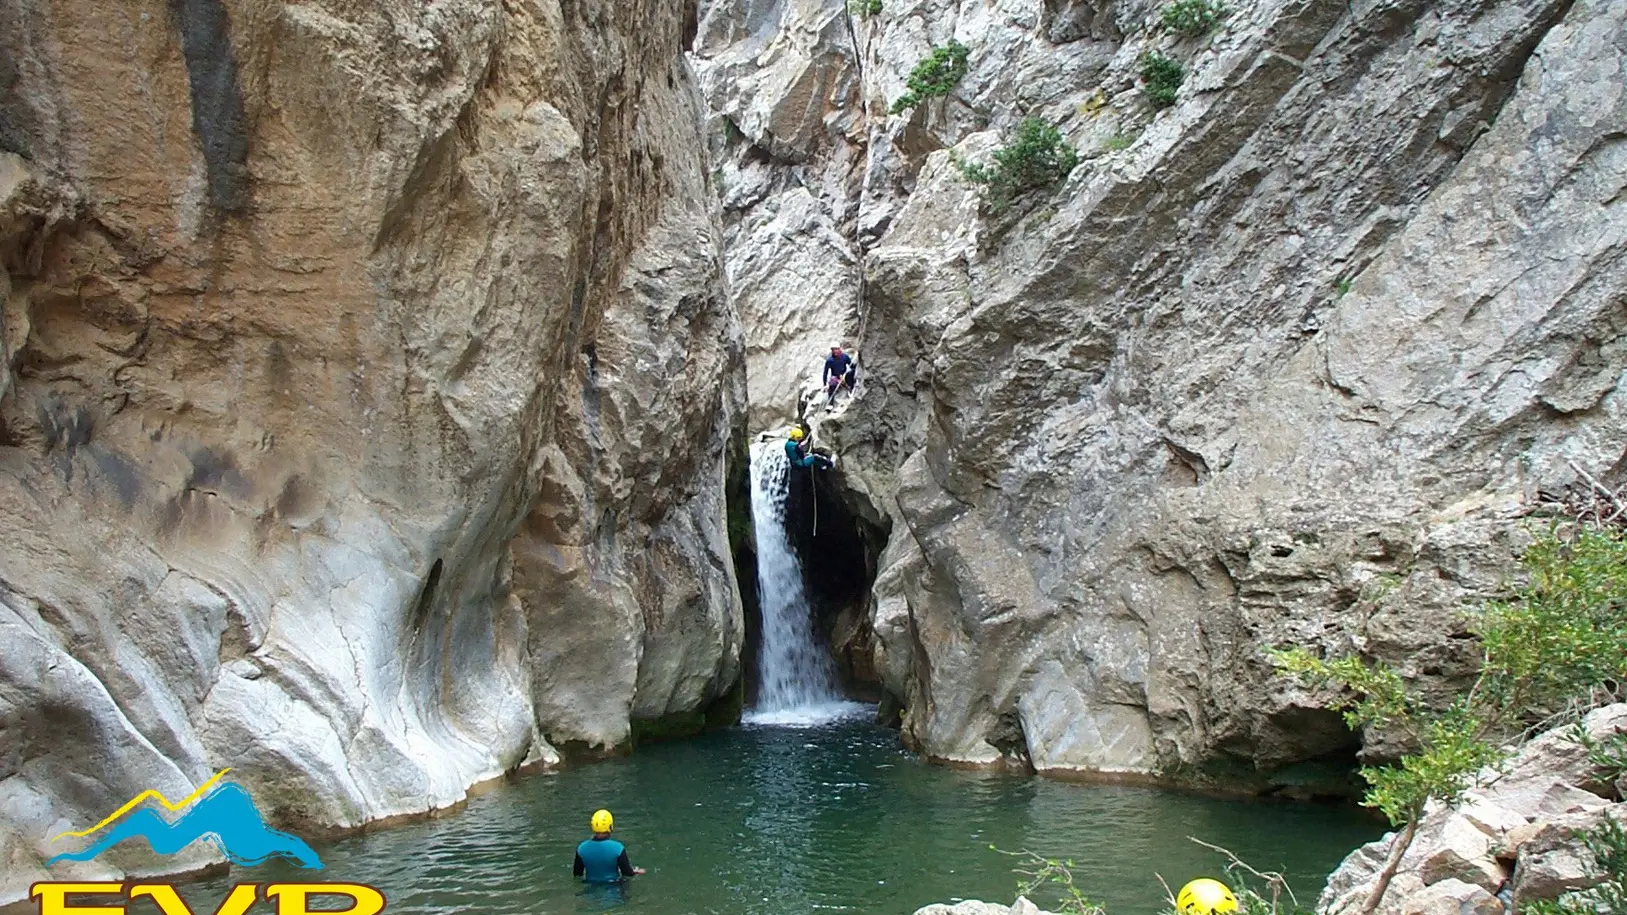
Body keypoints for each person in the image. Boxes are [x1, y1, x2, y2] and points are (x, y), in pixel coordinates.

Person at [573, 809, 646, 883]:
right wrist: (636, 872)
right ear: (610, 827)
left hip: (589, 889)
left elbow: (577, 874)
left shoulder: (581, 849)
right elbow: (627, 873)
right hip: (613, 888)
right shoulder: (618, 848)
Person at [823, 345, 856, 409]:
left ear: (839, 349)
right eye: (833, 349)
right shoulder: (830, 360)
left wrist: (856, 365)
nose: (835, 351)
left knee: (851, 373)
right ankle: (830, 404)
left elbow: (852, 366)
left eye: (836, 349)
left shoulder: (844, 357)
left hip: (843, 377)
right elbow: (825, 373)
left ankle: (851, 389)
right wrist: (825, 384)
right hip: (836, 378)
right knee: (832, 383)